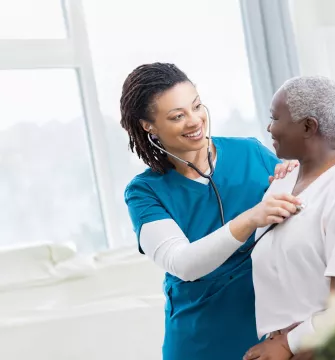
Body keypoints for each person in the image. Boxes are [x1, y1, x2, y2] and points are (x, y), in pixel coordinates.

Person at [120, 62, 301, 360]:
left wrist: (296, 177)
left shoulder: (250, 153)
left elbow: (303, 217)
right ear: (148, 125)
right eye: (177, 116)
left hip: (273, 332)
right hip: (202, 340)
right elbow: (183, 264)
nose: (194, 121)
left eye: (196, 106)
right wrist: (252, 216)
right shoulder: (144, 192)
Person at [244, 76, 335, 360]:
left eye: (275, 118)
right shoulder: (283, 181)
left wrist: (288, 345)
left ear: (308, 126)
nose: (269, 127)